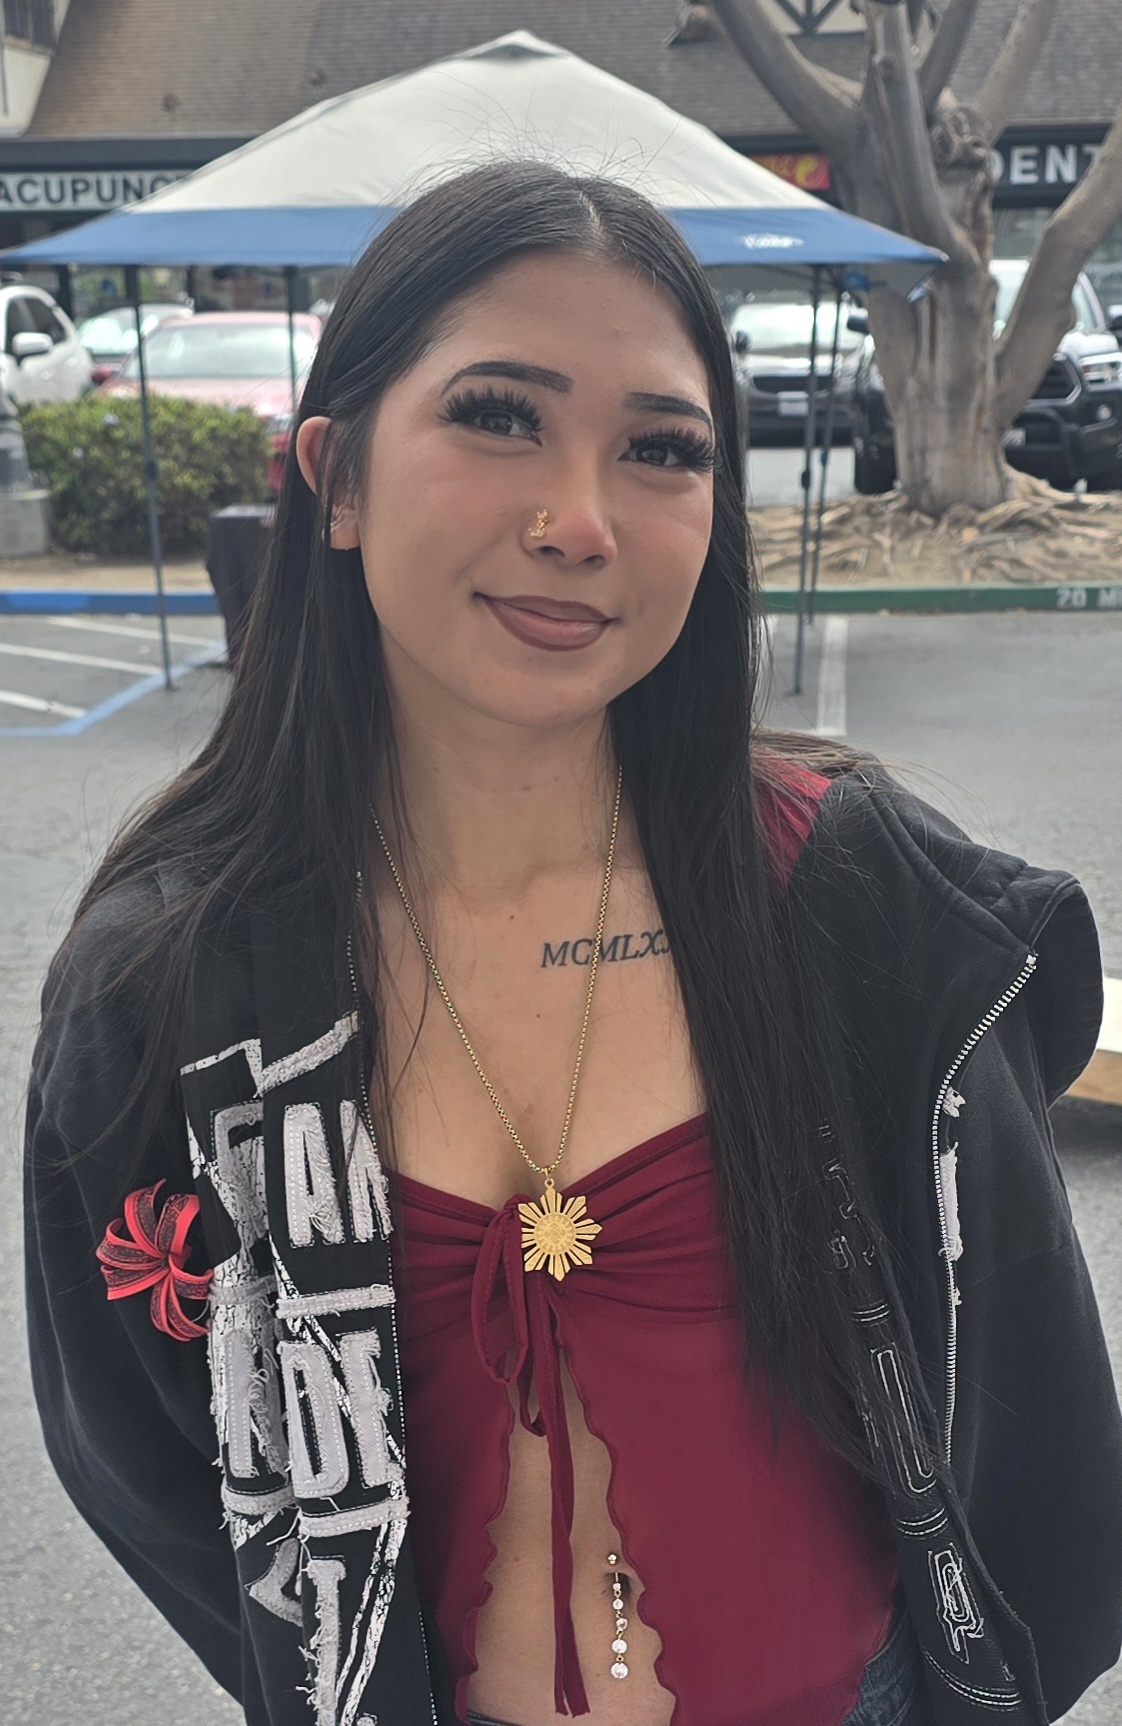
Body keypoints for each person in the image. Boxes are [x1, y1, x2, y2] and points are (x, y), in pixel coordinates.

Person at [24, 162, 1122, 1726]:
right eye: (497, 415)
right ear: (332, 477)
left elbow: (1020, 1401)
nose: (578, 519)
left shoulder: (861, 905)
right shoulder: (174, 988)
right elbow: (148, 1453)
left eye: (662, 450)